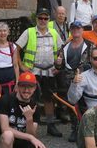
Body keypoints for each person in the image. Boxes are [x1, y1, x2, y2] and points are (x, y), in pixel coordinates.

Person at [16, 7, 64, 137]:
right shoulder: (29, 32)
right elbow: (16, 49)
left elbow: (61, 50)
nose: (43, 20)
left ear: (49, 20)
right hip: (33, 71)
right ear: (36, 19)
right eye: (40, 18)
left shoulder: (54, 32)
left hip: (49, 71)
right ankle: (29, 126)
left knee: (49, 99)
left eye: (45, 18)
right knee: (31, 98)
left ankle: (50, 126)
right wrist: (21, 65)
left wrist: (59, 66)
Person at [55, 21, 93, 142]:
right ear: (70, 31)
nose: (76, 30)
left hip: (85, 78)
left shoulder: (90, 45)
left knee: (85, 105)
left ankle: (86, 130)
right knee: (72, 106)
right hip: (68, 80)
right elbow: (59, 67)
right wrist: (57, 63)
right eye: (73, 28)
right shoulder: (65, 47)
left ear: (82, 30)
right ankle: (75, 129)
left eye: (78, 28)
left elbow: (96, 62)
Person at [0, 22, 19, 97]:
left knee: (9, 103)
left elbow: (15, 65)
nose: (2, 33)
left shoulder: (13, 47)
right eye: (0, 31)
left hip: (10, 84)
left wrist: (17, 82)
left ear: (8, 32)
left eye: (4, 31)